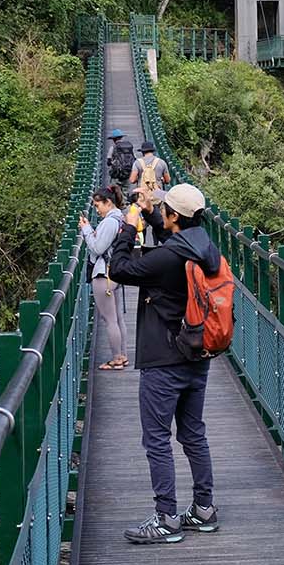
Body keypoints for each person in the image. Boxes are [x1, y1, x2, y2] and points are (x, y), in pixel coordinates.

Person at [106, 182, 220, 544]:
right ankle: (204, 510)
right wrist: (154, 212)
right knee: (193, 434)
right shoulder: (205, 246)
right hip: (197, 353)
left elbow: (120, 269)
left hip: (163, 358)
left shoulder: (168, 258)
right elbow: (170, 240)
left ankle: (166, 518)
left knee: (157, 439)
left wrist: (128, 223)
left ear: (175, 216)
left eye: (166, 212)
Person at [78, 186, 127, 370]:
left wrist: (86, 229)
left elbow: (97, 248)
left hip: (103, 273)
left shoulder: (109, 222)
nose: (96, 209)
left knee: (110, 319)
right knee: (118, 318)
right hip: (115, 271)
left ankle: (116, 358)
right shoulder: (119, 218)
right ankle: (122, 356)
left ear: (108, 202)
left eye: (98, 205)